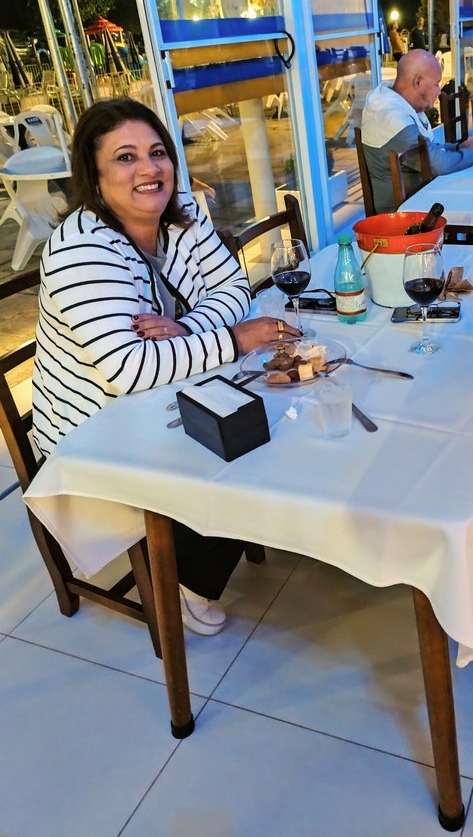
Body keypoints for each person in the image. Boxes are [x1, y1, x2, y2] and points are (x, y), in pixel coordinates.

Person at [32, 98, 300, 636]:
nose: (149, 169)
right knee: (235, 451)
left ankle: (223, 536)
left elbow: (234, 288)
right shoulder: (81, 250)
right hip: (94, 431)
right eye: (125, 157)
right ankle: (190, 579)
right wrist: (230, 340)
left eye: (157, 152)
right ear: (93, 175)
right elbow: (129, 370)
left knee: (275, 419)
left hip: (170, 387)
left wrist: (186, 331)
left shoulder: (181, 213)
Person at [359, 49, 473, 214]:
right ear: (418, 82)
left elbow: (427, 148)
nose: (440, 91)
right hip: (403, 214)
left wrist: (458, 147)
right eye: (436, 84)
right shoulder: (391, 118)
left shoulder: (396, 102)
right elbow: (438, 165)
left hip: (421, 197)